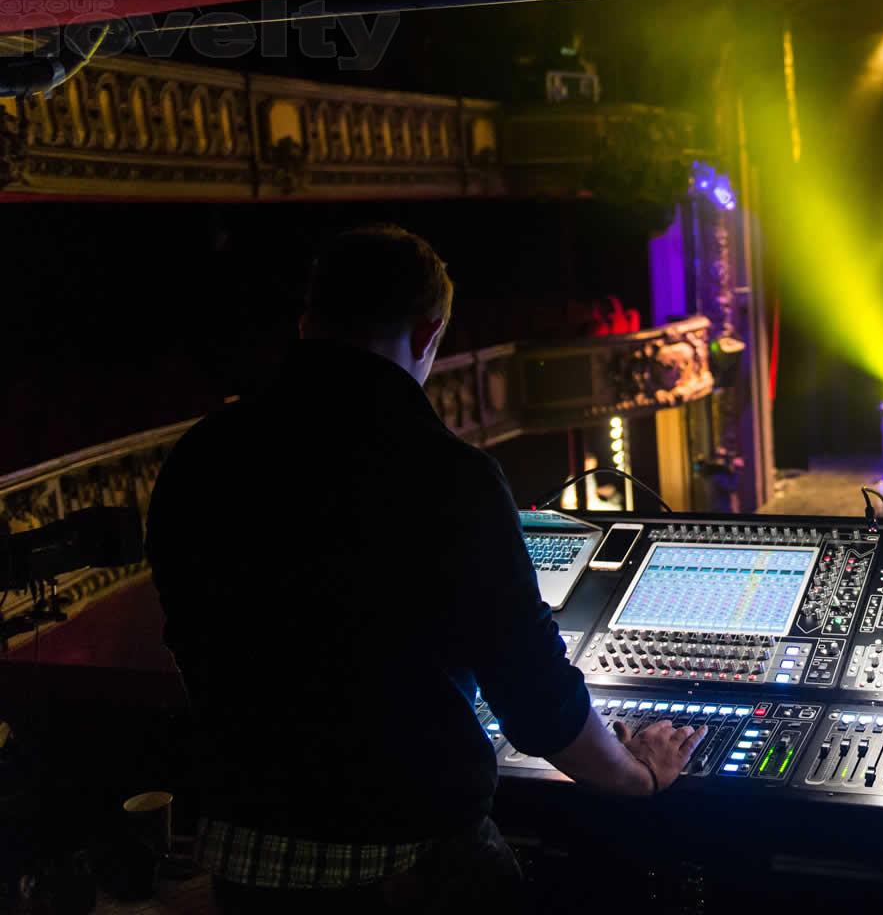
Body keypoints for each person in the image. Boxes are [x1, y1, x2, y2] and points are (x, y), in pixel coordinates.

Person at [146, 226, 703, 914]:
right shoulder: (449, 476)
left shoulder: (200, 455)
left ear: (308, 321)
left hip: (247, 862)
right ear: (427, 333)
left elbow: (195, 642)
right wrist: (635, 776)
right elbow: (534, 698)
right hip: (406, 867)